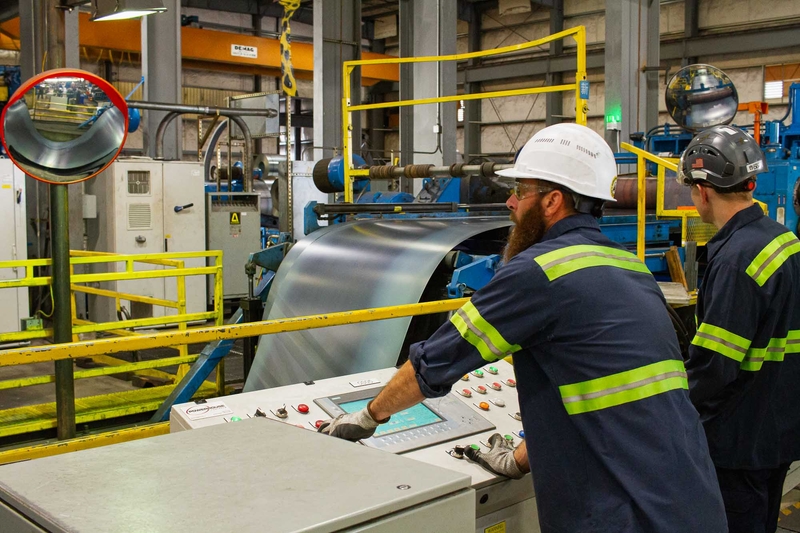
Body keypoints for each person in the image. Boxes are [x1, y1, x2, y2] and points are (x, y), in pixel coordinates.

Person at [319, 123, 727, 533]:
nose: (511, 203)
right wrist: (518, 459)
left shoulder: (537, 272)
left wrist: (368, 416)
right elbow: (604, 393)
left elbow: (436, 363)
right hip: (691, 498)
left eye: (521, 191)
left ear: (552, 201)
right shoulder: (630, 267)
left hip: (622, 513)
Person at [679, 125, 800, 533]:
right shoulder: (785, 240)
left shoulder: (735, 260)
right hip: (779, 430)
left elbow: (715, 367)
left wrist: (675, 414)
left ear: (704, 189)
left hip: (738, 441)